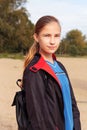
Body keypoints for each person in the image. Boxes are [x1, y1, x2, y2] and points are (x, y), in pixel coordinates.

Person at [21, 15, 81, 130]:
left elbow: (72, 105)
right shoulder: (34, 70)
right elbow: (38, 118)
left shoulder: (60, 67)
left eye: (57, 36)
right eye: (47, 35)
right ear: (36, 37)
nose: (52, 41)